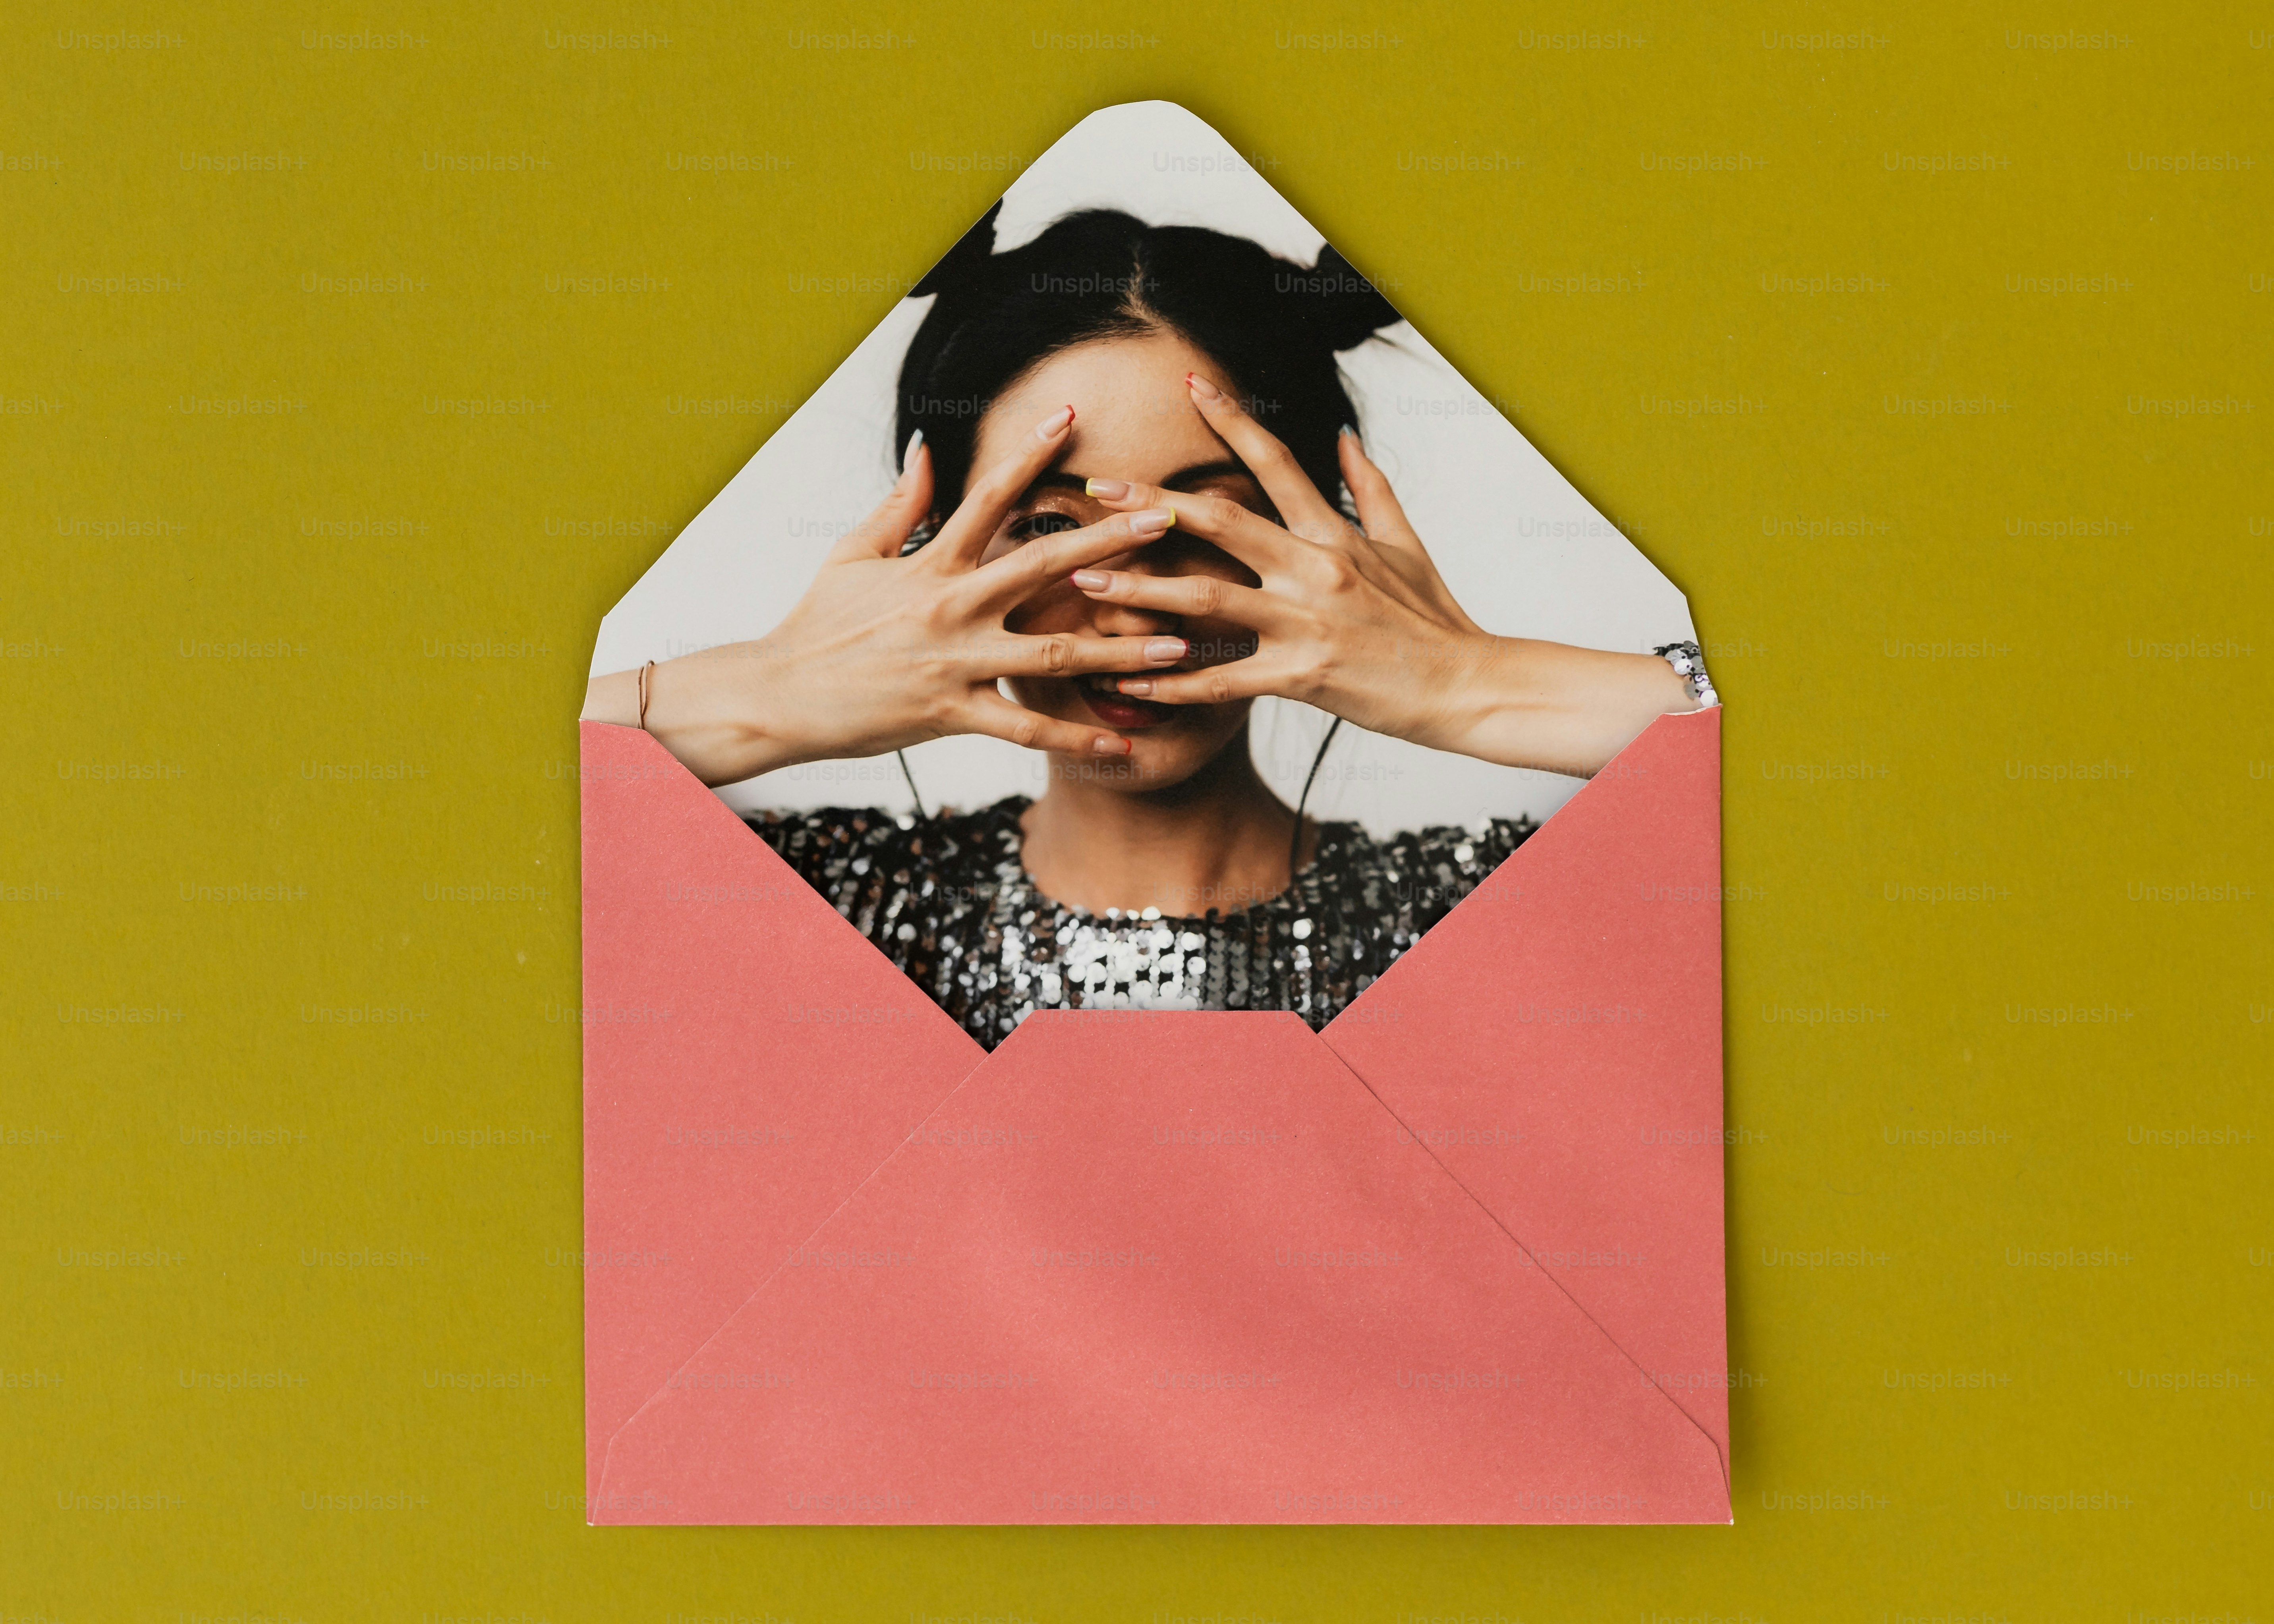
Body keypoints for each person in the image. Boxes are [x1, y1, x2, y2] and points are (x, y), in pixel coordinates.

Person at [583, 207, 1717, 1047]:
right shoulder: (813, 905)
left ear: (1322, 546)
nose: (1128, 599)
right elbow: (479, 809)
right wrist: (770, 692)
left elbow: (1811, 780)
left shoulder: (1495, 917)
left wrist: (1469, 682)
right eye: (1049, 527)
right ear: (942, 551)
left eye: (1209, 520)